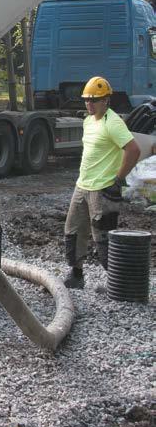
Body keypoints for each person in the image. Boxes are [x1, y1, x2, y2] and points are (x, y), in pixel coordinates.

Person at [63, 76, 140, 289]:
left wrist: (118, 180)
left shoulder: (112, 122)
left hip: (103, 189)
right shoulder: (89, 121)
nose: (89, 104)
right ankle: (76, 275)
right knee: (73, 231)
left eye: (94, 100)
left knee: (103, 237)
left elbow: (133, 150)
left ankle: (118, 282)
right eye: (87, 100)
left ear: (106, 100)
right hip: (83, 185)